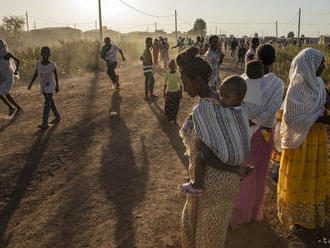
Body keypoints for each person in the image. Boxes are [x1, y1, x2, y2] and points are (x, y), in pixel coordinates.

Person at [177, 47, 253, 248]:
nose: (185, 89)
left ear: (199, 81)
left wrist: (235, 169)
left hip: (214, 185)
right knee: (211, 234)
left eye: (186, 84)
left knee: (205, 237)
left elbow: (205, 154)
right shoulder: (223, 101)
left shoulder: (204, 109)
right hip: (225, 184)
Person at [230, 45, 284, 229]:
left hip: (245, 133)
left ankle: (239, 213)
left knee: (244, 175)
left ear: (257, 57)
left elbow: (237, 106)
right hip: (264, 135)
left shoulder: (244, 79)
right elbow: (272, 112)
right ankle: (253, 212)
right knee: (260, 174)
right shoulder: (277, 83)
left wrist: (250, 120)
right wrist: (258, 121)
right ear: (274, 59)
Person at [278, 48, 330, 230]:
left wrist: (323, 113)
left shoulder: (319, 84)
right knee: (300, 177)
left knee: (314, 174)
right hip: (300, 142)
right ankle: (298, 216)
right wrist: (319, 118)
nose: (323, 66)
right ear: (310, 65)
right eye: (320, 63)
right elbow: (291, 118)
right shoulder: (296, 89)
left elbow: (323, 105)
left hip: (317, 139)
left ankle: (313, 212)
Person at [179, 75, 253, 195]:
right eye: (221, 95)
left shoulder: (213, 109)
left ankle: (197, 185)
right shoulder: (243, 109)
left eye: (227, 97)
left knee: (201, 155)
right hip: (242, 157)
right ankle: (236, 171)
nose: (222, 100)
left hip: (228, 160)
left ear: (239, 97)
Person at [28, 47, 61, 129]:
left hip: (50, 86)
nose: (45, 55)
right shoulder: (38, 64)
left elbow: (56, 76)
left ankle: (44, 123)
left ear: (49, 55)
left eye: (47, 53)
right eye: (44, 53)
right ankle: (57, 117)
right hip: (43, 86)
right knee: (50, 102)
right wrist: (31, 83)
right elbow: (35, 74)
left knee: (47, 104)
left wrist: (57, 85)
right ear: (41, 54)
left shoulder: (52, 65)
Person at [0, 39, 22, 116]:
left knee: (2, 94)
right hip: (2, 78)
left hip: (8, 78)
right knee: (7, 95)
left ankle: (11, 108)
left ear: (2, 45)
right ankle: (17, 108)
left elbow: (18, 60)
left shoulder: (7, 54)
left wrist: (16, 71)